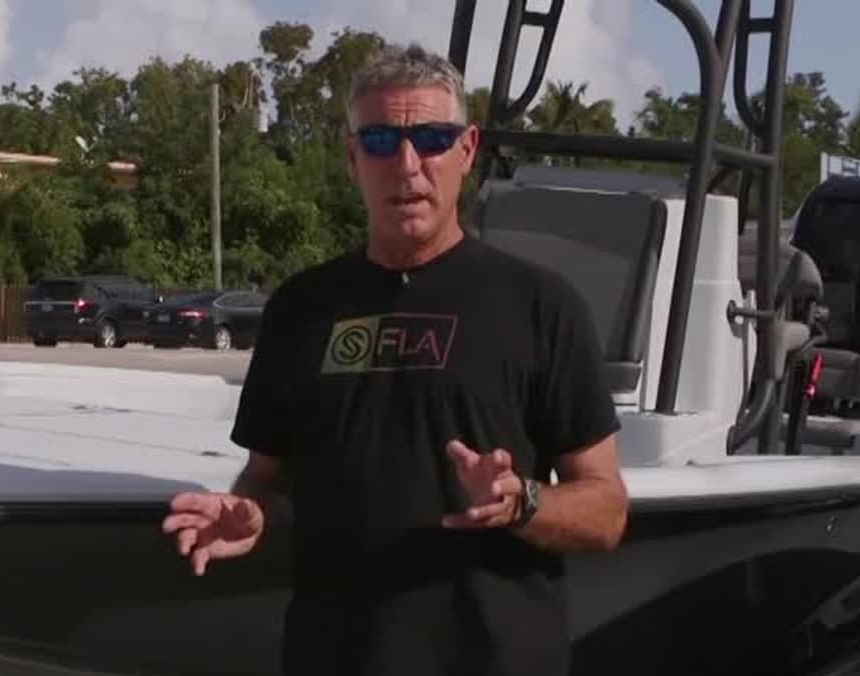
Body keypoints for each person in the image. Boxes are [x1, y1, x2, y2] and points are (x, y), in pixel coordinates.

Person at [161, 43, 629, 676]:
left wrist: (521, 502)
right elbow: (267, 478)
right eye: (381, 141)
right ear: (353, 157)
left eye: (431, 139)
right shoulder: (300, 308)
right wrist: (251, 515)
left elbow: (606, 511)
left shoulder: (541, 305)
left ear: (467, 150)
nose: (407, 165)